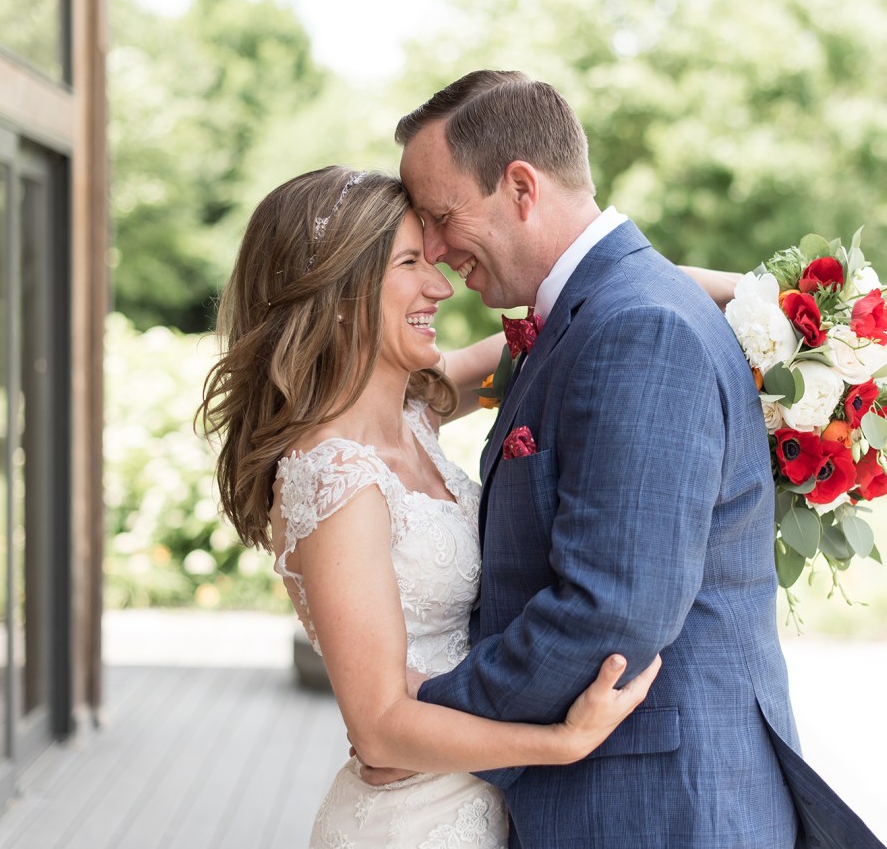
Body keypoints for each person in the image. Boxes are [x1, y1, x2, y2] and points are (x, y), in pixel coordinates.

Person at [394, 70, 885, 847]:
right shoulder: (600, 312)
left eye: (439, 214)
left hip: (656, 810)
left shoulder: (638, 329)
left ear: (521, 187)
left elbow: (612, 608)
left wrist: (426, 714)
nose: (430, 245)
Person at [198, 167, 664, 847]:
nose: (441, 286)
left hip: (473, 801)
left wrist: (748, 298)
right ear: (338, 293)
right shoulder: (337, 479)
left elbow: (576, 314)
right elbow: (380, 727)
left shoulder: (414, 410)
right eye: (411, 263)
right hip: (411, 822)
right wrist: (559, 742)